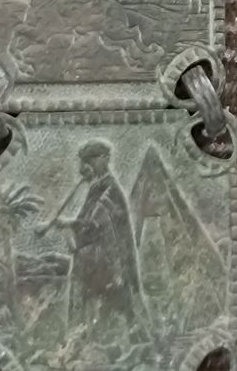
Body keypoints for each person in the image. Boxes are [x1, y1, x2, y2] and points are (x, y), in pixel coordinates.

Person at [41, 140, 151, 351]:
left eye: (89, 161)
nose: (85, 167)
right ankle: (87, 346)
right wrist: (71, 225)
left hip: (108, 262)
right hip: (94, 260)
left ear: (104, 159)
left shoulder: (109, 190)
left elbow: (96, 224)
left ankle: (128, 346)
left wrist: (68, 224)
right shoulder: (97, 187)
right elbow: (89, 221)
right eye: (84, 162)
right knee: (101, 308)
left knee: (116, 305)